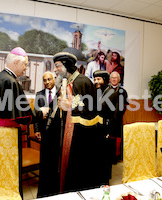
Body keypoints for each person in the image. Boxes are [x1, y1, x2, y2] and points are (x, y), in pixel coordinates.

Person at [37, 51, 106, 198]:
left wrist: (70, 106)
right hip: (59, 140)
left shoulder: (83, 82)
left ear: (67, 65)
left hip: (78, 142)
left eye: (57, 66)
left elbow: (91, 111)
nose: (55, 70)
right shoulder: (64, 83)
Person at [0, 46, 49, 127]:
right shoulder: (11, 82)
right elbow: (22, 117)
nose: (25, 68)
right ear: (16, 63)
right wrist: (41, 113)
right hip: (6, 132)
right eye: (25, 64)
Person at [93, 70, 118, 181]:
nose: (96, 81)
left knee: (105, 158)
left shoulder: (112, 93)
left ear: (105, 80)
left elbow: (115, 115)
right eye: (94, 79)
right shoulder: (96, 92)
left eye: (98, 79)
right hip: (97, 129)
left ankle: (105, 181)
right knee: (98, 157)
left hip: (106, 130)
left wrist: (110, 131)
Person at [109, 71, 128, 160]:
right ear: (110, 79)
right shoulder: (106, 90)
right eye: (112, 78)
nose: (114, 79)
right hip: (108, 118)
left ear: (119, 79)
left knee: (118, 137)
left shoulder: (123, 91)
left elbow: (125, 105)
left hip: (118, 118)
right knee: (110, 137)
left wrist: (119, 114)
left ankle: (117, 156)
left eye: (115, 78)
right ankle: (109, 156)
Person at [34, 71, 57, 139]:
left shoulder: (59, 93)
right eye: (45, 80)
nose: (47, 82)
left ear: (54, 79)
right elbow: (36, 114)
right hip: (43, 130)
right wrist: (37, 130)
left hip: (57, 130)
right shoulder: (39, 94)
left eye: (49, 79)